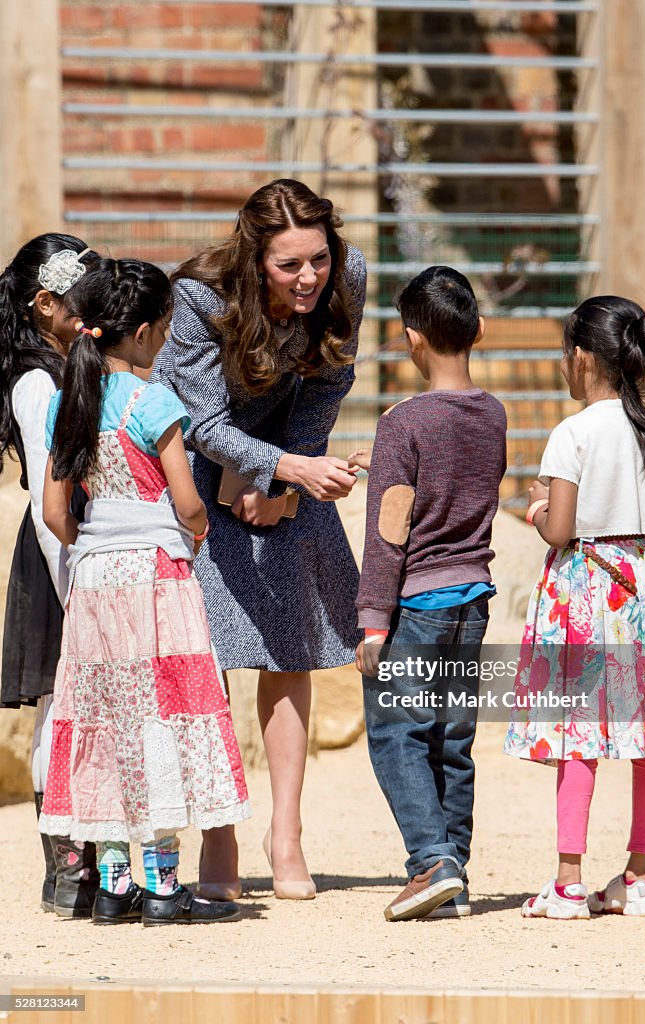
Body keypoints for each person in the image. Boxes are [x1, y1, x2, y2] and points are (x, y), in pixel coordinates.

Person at [152, 179, 365, 900]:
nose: (309, 278)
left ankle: (286, 835)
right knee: (201, 654)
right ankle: (219, 834)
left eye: (318, 260)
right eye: (289, 265)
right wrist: (272, 469)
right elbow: (200, 419)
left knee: (288, 642)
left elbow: (329, 383)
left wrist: (284, 486)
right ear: (255, 260)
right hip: (190, 462)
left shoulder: (349, 274)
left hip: (283, 463)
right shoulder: (200, 298)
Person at [38, 257, 250, 926]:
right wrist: (191, 536)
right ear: (151, 330)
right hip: (155, 579)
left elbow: (54, 514)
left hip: (95, 580)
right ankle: (163, 887)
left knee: (104, 721)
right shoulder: (154, 402)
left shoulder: (65, 403)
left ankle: (112, 883)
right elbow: (188, 504)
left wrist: (95, 537)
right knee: (160, 717)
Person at [505, 296, 645, 920]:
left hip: (587, 591)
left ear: (582, 357)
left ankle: (568, 884)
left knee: (579, 736)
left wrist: (538, 505)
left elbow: (560, 531)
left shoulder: (572, 432)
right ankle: (640, 877)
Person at [353, 266, 506, 921]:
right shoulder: (494, 413)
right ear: (477, 331)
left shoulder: (402, 422)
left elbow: (391, 532)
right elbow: (451, 481)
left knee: (396, 735)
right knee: (450, 740)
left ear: (411, 339)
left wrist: (371, 622)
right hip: (472, 599)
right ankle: (454, 869)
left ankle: (429, 862)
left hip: (414, 606)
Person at [0, 233, 101, 917]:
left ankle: (86, 864)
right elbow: (47, 495)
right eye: (79, 305)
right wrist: (77, 588)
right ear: (44, 305)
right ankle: (65, 871)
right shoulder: (39, 380)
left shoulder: (69, 366)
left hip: (80, 549)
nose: (92, 319)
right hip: (61, 555)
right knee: (61, 706)